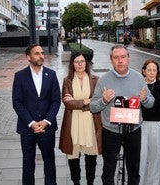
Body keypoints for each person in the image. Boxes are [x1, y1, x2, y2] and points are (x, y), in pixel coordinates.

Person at [90, 44, 155, 185]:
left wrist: (144, 99)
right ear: (111, 60)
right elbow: (93, 107)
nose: (120, 61)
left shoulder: (138, 78)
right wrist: (104, 100)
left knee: (133, 170)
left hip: (133, 131)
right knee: (108, 170)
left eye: (123, 57)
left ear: (128, 58)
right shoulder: (104, 80)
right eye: (116, 57)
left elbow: (151, 103)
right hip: (111, 132)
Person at [12, 43, 61, 185]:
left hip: (47, 128)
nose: (41, 56)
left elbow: (56, 100)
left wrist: (46, 121)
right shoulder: (20, 76)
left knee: (49, 162)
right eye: (37, 53)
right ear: (28, 57)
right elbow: (17, 102)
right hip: (27, 128)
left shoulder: (51, 74)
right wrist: (32, 123)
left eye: (42, 53)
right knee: (28, 163)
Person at [59, 52, 102, 185]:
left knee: (91, 159)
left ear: (86, 63)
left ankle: (90, 182)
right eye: (77, 61)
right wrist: (85, 101)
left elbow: (97, 102)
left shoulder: (95, 79)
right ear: (72, 64)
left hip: (91, 123)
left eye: (82, 61)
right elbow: (67, 102)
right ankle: (76, 182)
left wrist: (77, 102)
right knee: (73, 159)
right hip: (73, 123)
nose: (80, 64)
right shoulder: (67, 80)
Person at [139, 60, 160, 185]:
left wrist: (157, 117)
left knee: (155, 158)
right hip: (141, 125)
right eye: (149, 70)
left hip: (157, 125)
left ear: (157, 72)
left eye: (154, 70)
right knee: (140, 157)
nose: (152, 73)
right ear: (144, 71)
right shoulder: (139, 85)